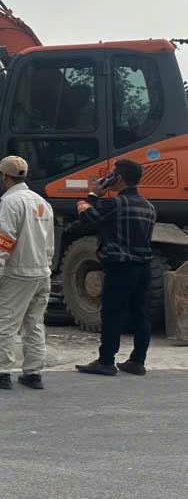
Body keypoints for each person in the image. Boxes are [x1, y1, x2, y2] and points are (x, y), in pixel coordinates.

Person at [0, 156, 55, 390]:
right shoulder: (41, 202)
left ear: (5, 177)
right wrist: (46, 266)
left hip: (18, 273)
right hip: (41, 272)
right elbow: (49, 243)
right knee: (34, 323)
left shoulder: (10, 202)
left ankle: (1, 372)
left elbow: (3, 240)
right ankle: (33, 372)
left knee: (5, 323)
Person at [73, 158, 157, 376]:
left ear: (117, 178)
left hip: (120, 267)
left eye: (111, 174)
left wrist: (92, 195)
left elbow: (88, 218)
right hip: (144, 267)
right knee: (141, 314)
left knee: (112, 313)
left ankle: (106, 360)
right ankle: (137, 361)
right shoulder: (149, 206)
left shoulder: (115, 204)